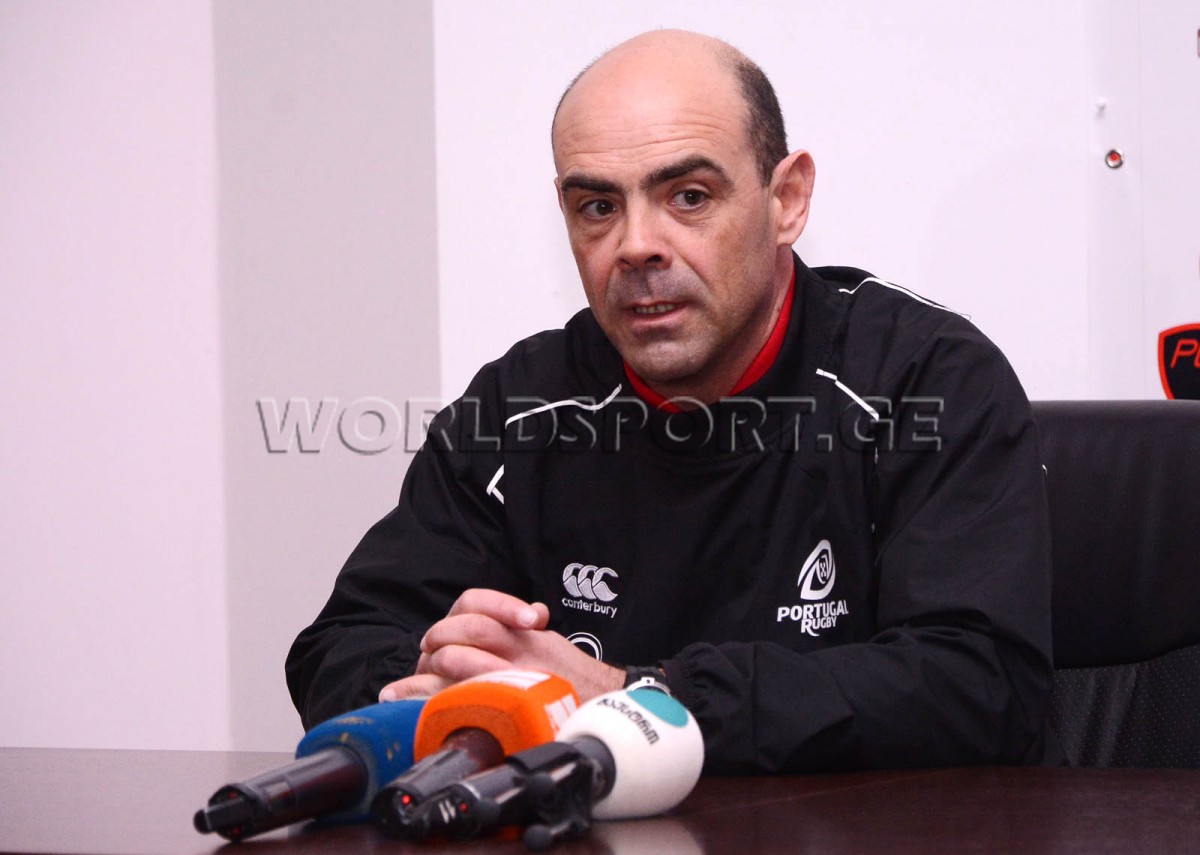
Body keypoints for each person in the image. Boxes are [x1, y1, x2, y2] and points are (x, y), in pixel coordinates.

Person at [286, 29, 1055, 773]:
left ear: (786, 200)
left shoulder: (924, 378)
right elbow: (342, 645)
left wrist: (631, 699)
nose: (635, 246)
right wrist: (446, 687)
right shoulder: (520, 406)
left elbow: (982, 686)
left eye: (688, 196)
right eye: (598, 207)